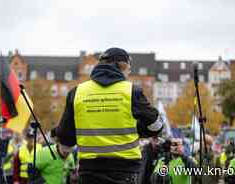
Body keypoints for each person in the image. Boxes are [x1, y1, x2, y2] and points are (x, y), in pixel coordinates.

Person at [56, 47, 163, 184]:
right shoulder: (131, 91)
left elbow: (65, 137)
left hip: (89, 172)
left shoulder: (77, 92)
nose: (129, 73)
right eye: (129, 69)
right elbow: (157, 126)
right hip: (125, 171)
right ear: (123, 66)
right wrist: (137, 130)